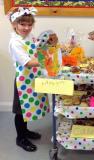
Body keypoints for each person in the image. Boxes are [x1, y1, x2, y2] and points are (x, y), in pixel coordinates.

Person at [8, 7, 50, 152]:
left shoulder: (29, 36)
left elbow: (37, 46)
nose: (26, 27)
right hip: (22, 81)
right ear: (14, 24)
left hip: (32, 77)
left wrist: (50, 47)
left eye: (29, 24)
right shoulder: (15, 43)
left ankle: (25, 131)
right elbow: (28, 62)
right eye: (22, 24)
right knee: (20, 111)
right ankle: (20, 138)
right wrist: (48, 60)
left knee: (28, 108)